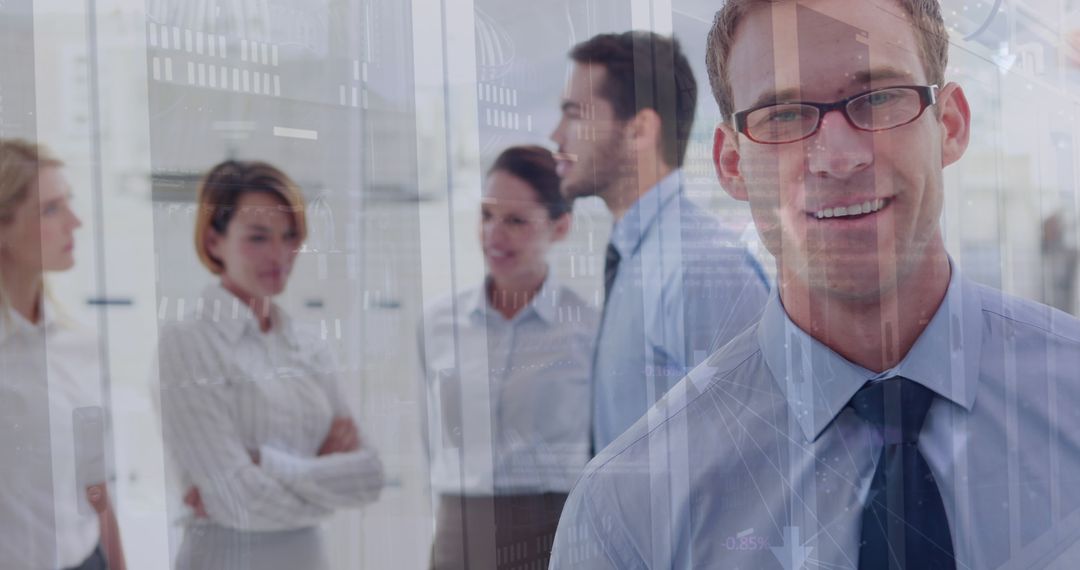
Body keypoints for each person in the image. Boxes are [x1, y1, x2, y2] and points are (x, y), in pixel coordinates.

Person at [549, 0, 1080, 568]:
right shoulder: (628, 513)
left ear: (949, 125)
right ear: (730, 163)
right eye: (781, 114)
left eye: (879, 98)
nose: (840, 157)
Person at [156, 160, 383, 570]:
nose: (279, 254)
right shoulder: (187, 342)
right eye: (258, 237)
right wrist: (323, 473)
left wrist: (269, 465)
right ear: (213, 242)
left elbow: (369, 476)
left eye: (290, 236)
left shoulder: (309, 345)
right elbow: (240, 502)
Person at [550, 31, 769, 454]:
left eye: (574, 115)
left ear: (639, 130)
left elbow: (756, 455)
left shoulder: (702, 267)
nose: (557, 135)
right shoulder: (640, 257)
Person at [419, 145, 598, 569]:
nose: (494, 235)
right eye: (486, 215)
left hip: (556, 525)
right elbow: (429, 439)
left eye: (516, 221)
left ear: (560, 227)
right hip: (459, 528)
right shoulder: (438, 323)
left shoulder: (589, 327)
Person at [0, 139, 126, 569]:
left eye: (68, 203)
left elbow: (96, 486)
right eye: (51, 209)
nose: (76, 222)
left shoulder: (80, 347)